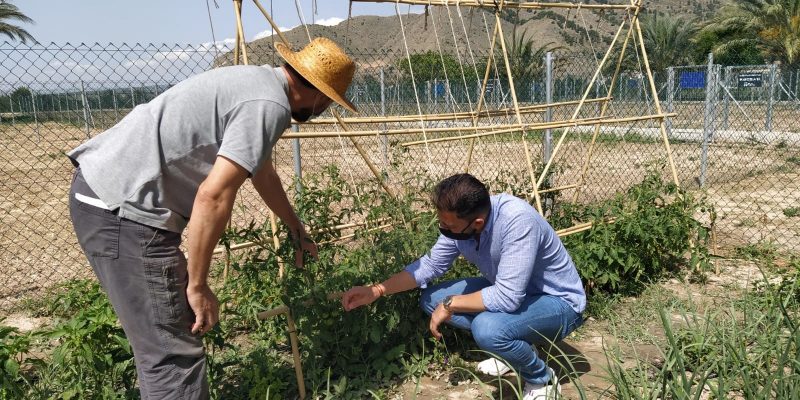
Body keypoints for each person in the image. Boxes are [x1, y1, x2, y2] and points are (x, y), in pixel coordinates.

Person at [67, 37, 356, 399]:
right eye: (330, 103)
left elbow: (263, 174)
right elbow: (214, 194)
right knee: (172, 356)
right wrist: (198, 284)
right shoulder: (269, 105)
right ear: (322, 96)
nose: (325, 109)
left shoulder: (257, 83)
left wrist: (296, 229)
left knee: (160, 350)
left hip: (108, 196)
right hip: (124, 212)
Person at [342, 173, 586, 399]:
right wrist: (377, 290)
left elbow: (508, 298)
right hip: (516, 294)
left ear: (477, 223)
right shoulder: (461, 225)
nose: (444, 230)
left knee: (487, 328)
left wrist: (453, 304)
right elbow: (430, 265)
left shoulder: (517, 221)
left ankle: (541, 379)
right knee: (432, 299)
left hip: (558, 303)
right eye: (442, 224)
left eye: (449, 227)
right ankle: (518, 346)